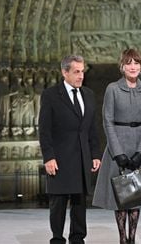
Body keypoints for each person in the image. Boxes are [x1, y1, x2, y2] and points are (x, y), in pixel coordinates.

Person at [92, 48, 141, 244]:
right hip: (116, 145)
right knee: (120, 197)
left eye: (136, 63)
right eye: (129, 63)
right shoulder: (112, 89)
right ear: (122, 66)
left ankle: (132, 238)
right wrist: (117, 152)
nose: (133, 66)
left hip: (139, 147)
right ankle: (122, 238)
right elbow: (107, 121)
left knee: (135, 196)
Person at [39, 55, 101, 244]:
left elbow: (91, 127)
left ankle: (77, 238)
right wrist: (48, 157)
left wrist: (95, 154)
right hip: (59, 159)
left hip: (82, 157)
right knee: (58, 204)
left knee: (79, 203)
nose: (81, 76)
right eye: (76, 72)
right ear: (64, 72)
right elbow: (44, 129)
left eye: (82, 71)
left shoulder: (88, 94)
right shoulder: (51, 95)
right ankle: (57, 239)